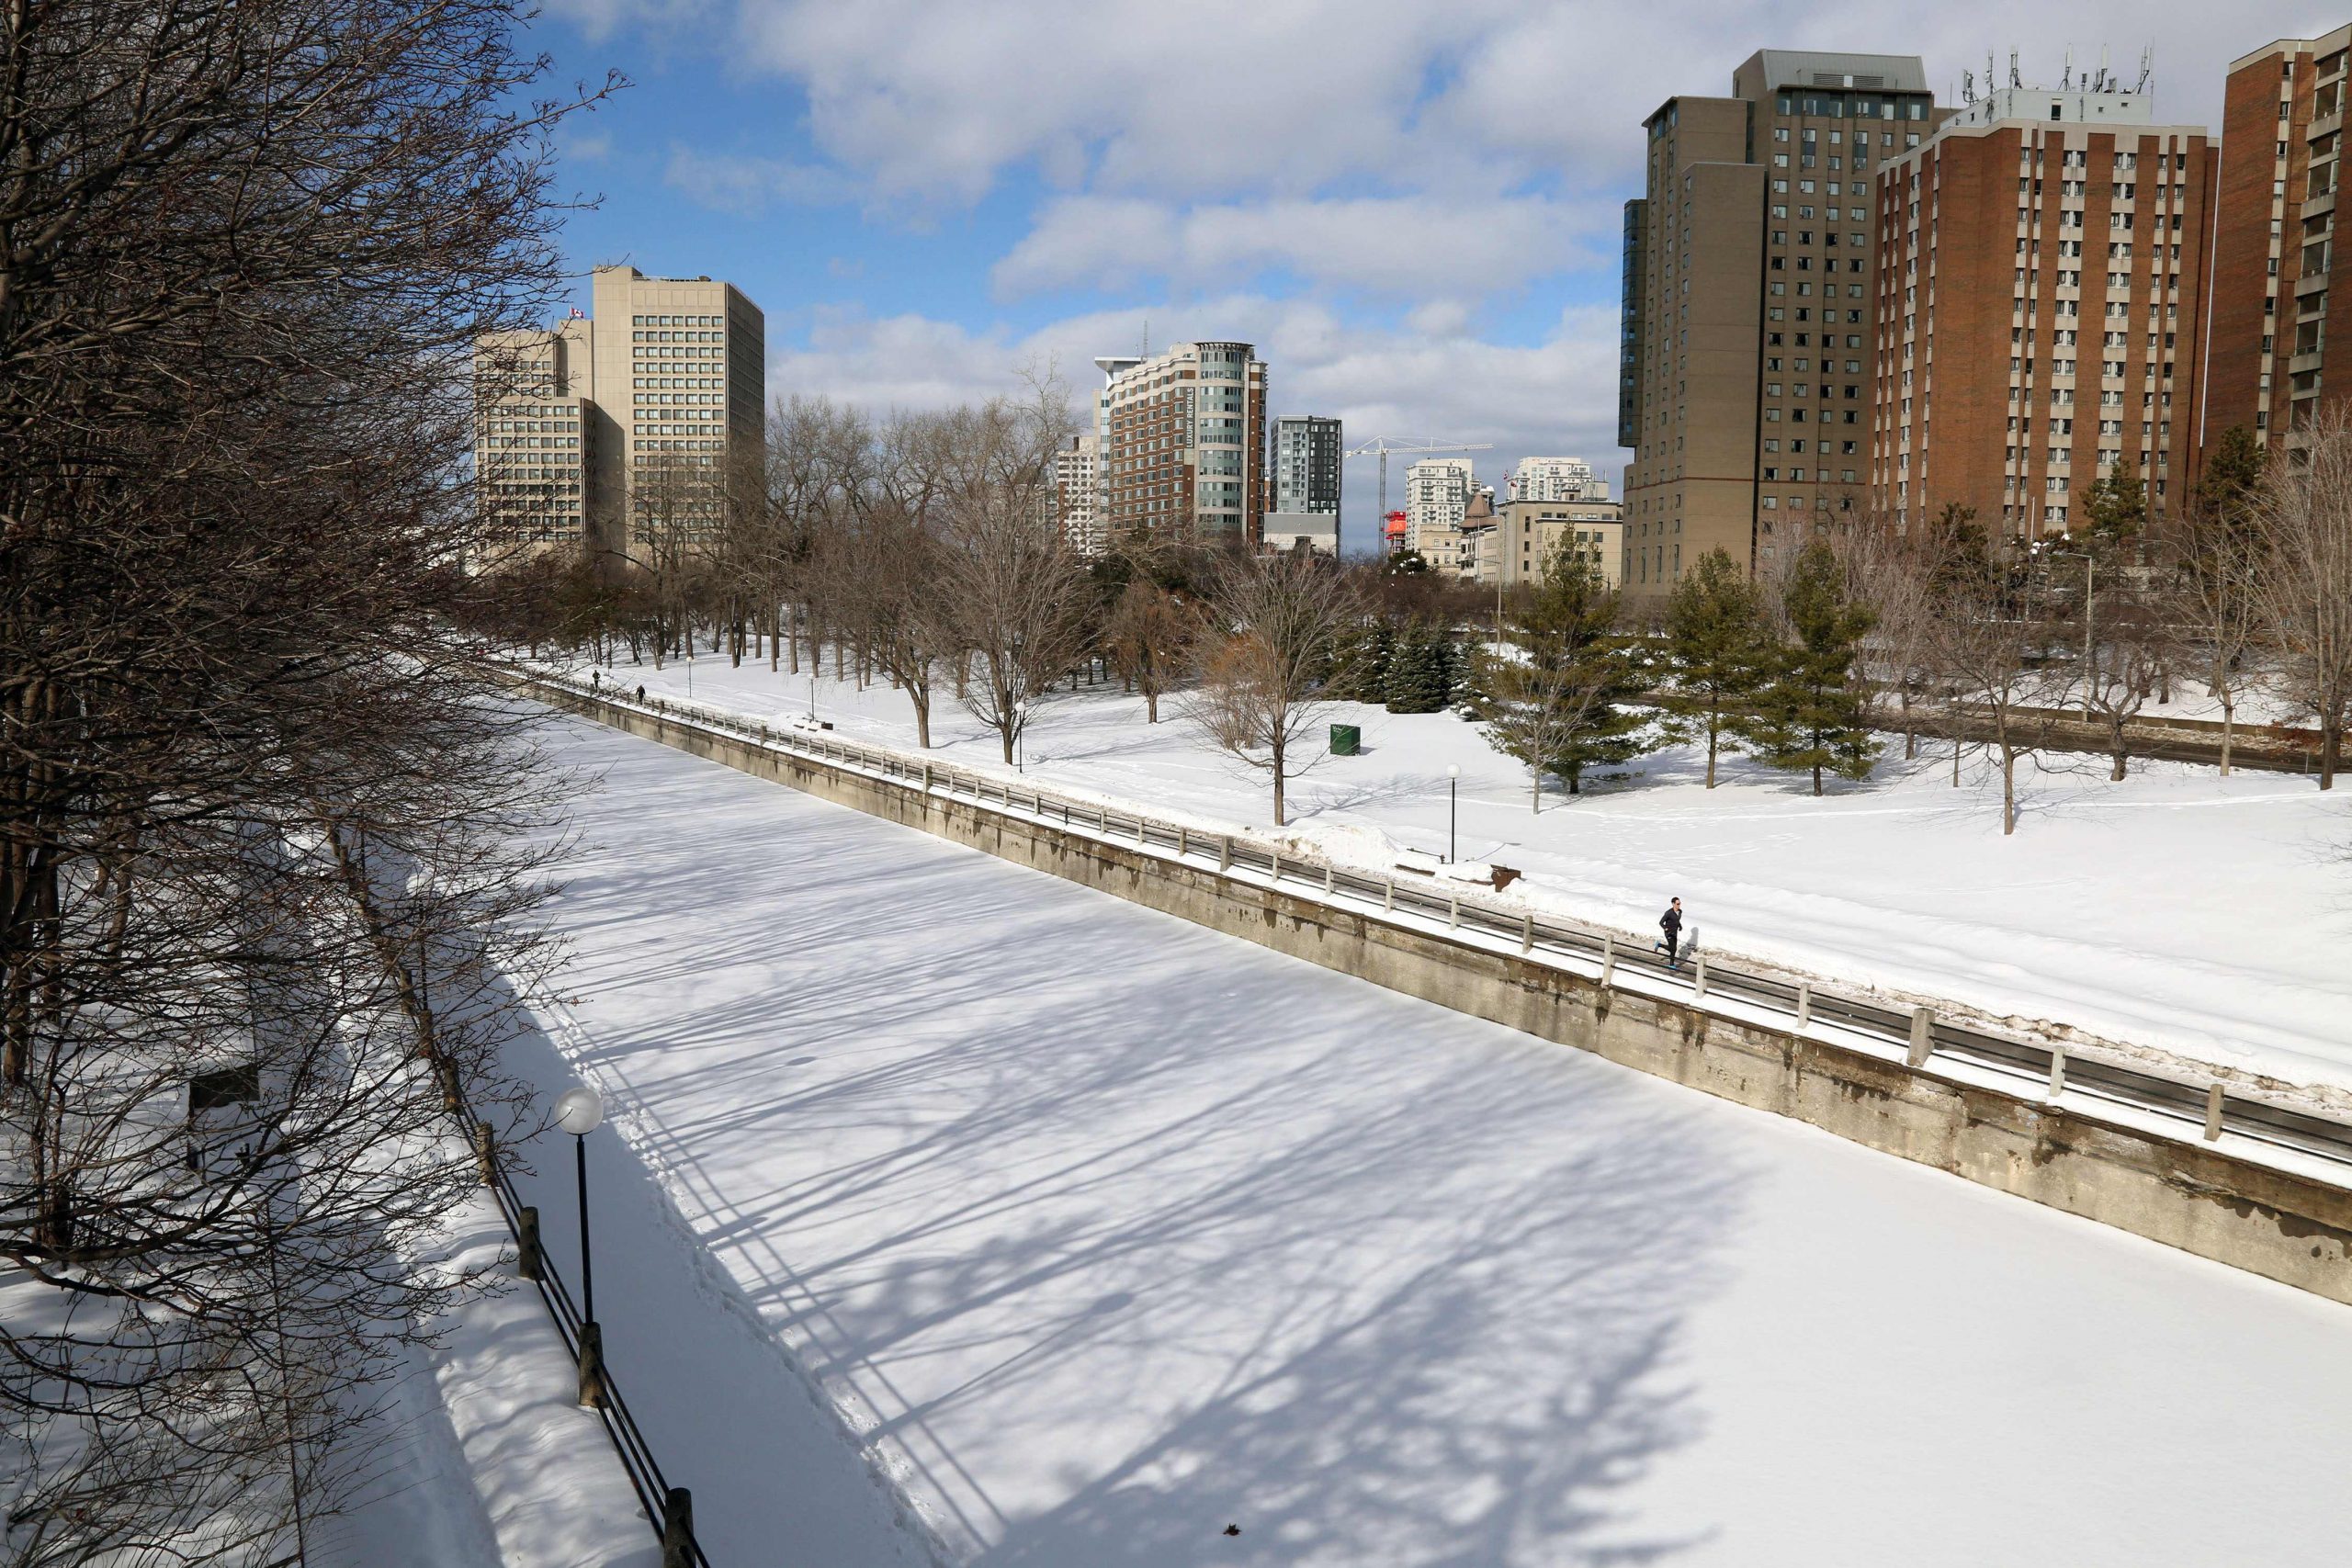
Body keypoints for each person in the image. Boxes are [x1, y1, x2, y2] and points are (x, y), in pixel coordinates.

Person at [1655, 897, 1684, 970]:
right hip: (1668, 933)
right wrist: (1665, 928)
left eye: (1680, 903)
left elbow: (1677, 920)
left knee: (1673, 949)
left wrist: (1680, 926)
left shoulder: (1680, 912)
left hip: (1675, 932)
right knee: (1673, 948)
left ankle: (1659, 945)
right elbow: (1661, 922)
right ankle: (1671, 965)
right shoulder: (1669, 913)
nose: (1679, 905)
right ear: (1673, 904)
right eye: (1677, 904)